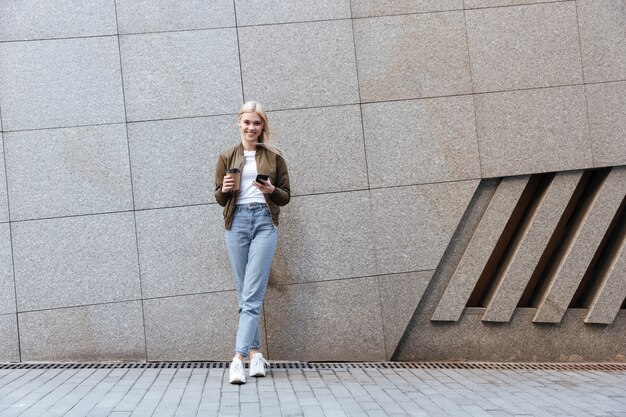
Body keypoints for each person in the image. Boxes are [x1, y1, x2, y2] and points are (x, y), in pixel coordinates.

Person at [214, 101, 291, 384]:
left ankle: (237, 358)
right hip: (236, 224)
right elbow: (220, 199)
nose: (251, 128)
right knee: (244, 291)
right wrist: (224, 189)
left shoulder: (274, 157)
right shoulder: (226, 156)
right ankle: (256, 353)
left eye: (256, 123)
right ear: (239, 123)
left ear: (263, 127)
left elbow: (285, 196)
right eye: (247, 122)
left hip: (263, 224)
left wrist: (271, 189)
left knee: (252, 292)